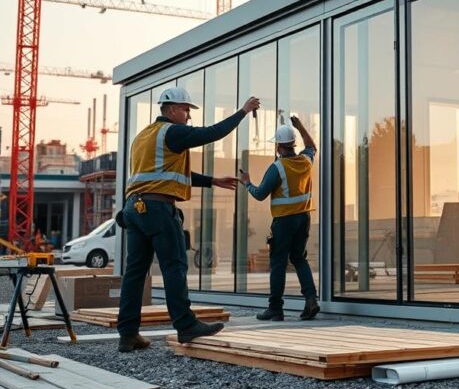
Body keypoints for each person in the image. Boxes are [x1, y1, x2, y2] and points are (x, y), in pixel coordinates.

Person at [116, 86, 260, 353]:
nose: (188, 116)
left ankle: (128, 334)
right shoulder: (172, 132)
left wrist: (212, 180)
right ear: (172, 109)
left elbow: (165, 174)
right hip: (158, 208)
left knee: (135, 273)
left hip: (134, 209)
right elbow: (211, 133)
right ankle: (185, 325)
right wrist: (243, 111)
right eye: (185, 110)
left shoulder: (144, 136)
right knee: (174, 266)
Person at [240, 115, 319, 322]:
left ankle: (275, 308)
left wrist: (247, 182)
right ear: (293, 144)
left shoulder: (277, 168)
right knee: (299, 258)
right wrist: (300, 127)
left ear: (278, 147)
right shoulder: (305, 161)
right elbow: (311, 146)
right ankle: (311, 299)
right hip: (304, 218)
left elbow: (260, 194)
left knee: (278, 263)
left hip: (284, 221)